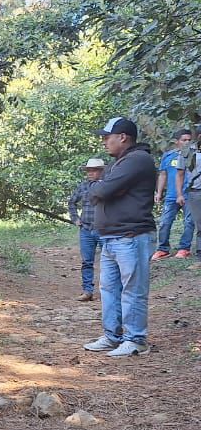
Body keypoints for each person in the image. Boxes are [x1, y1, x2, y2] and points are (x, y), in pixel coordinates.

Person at [83, 117, 157, 357]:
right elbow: (99, 190)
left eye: (107, 137)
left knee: (132, 289)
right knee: (109, 289)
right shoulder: (120, 163)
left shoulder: (137, 160)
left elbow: (101, 190)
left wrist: (103, 188)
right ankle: (113, 336)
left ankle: (136, 339)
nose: (104, 142)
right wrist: (103, 188)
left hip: (131, 235)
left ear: (123, 136)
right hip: (113, 237)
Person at [152, 129, 194, 260]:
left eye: (189, 140)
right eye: (184, 140)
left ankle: (184, 248)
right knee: (165, 222)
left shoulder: (195, 156)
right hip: (171, 195)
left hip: (190, 195)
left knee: (189, 222)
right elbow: (163, 174)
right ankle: (163, 249)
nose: (187, 142)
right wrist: (159, 192)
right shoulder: (168, 156)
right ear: (177, 142)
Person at [67, 158, 105, 302]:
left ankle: (109, 290)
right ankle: (87, 290)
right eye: (88, 170)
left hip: (104, 229)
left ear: (101, 171)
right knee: (87, 261)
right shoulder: (83, 187)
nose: (90, 173)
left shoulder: (107, 186)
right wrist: (75, 219)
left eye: (93, 170)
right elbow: (72, 202)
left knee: (109, 261)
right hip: (87, 229)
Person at [173, 126, 201, 265]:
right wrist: (179, 194)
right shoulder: (187, 152)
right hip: (195, 192)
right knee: (198, 224)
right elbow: (180, 174)